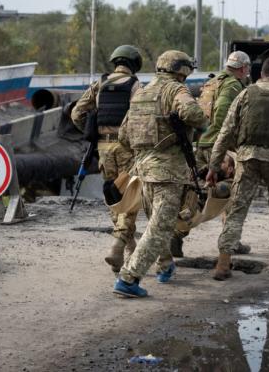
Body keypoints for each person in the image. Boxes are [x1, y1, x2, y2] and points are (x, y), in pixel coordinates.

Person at [113, 50, 208, 298]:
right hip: (168, 171)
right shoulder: (176, 90)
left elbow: (123, 136)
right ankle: (128, 278)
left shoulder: (141, 93)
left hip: (143, 170)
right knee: (160, 227)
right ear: (181, 69)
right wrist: (200, 122)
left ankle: (165, 265)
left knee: (157, 223)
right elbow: (194, 114)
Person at [206, 56, 269, 281]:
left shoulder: (245, 93)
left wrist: (213, 165)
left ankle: (223, 263)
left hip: (247, 158)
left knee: (237, 209)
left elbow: (226, 131)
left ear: (261, 74)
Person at [169, 50, 252, 257]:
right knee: (234, 191)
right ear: (242, 69)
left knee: (195, 192)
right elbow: (224, 116)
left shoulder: (211, 83)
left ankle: (177, 235)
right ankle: (231, 240)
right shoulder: (233, 85)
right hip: (220, 147)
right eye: (247, 69)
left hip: (202, 143)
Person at [70, 45, 143, 272]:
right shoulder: (135, 85)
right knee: (129, 198)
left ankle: (127, 248)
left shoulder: (99, 84)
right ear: (133, 64)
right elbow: (140, 117)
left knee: (113, 196)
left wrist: (93, 130)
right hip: (126, 148)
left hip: (103, 148)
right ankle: (118, 245)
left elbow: (76, 114)